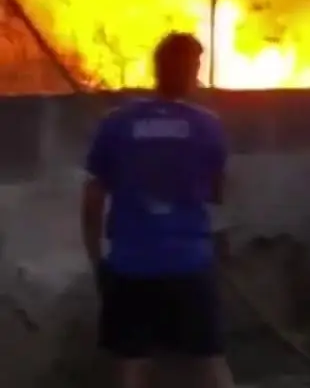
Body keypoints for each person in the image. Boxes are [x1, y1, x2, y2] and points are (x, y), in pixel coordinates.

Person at [80, 32, 235, 388]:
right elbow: (218, 194)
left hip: (130, 265)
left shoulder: (116, 123)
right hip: (189, 264)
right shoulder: (208, 125)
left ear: (156, 68)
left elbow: (92, 198)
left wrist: (97, 258)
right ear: (193, 72)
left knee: (132, 365)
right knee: (210, 361)